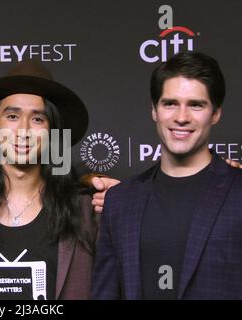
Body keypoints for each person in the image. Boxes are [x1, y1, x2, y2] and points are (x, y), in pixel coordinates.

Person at [92, 52, 242, 299]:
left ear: (215, 113)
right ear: (154, 110)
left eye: (196, 104)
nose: (181, 117)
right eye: (170, 103)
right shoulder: (119, 201)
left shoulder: (237, 192)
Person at [0, 60, 98, 300]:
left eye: (38, 119)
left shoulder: (86, 209)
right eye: (13, 116)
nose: (23, 130)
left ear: (52, 132)